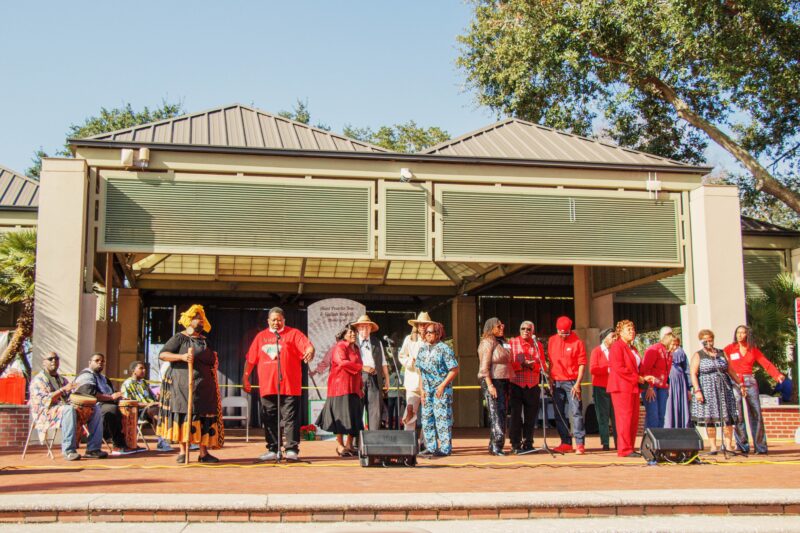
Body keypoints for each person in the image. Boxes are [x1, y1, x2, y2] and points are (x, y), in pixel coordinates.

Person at [243, 306, 314, 462]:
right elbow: (250, 360)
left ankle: (291, 450)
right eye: (274, 320)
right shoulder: (260, 337)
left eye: (279, 320)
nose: (276, 322)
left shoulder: (293, 333)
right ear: (268, 321)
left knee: (290, 419)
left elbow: (307, 346)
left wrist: (310, 350)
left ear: (284, 320)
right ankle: (273, 449)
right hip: (268, 386)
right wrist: (245, 378)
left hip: (290, 385)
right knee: (270, 418)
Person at [158, 305, 224, 463]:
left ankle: (203, 453)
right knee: (184, 415)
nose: (200, 320)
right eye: (196, 317)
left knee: (204, 416)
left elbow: (212, 358)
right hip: (183, 385)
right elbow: (163, 354)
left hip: (205, 386)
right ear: (188, 319)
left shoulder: (205, 341)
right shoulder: (180, 338)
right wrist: (181, 358)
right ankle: (182, 451)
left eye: (201, 317)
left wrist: (215, 362)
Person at [29, 352, 106, 461]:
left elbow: (71, 397)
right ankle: (68, 450)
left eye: (56, 359)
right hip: (45, 413)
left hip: (64, 410)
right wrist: (63, 390)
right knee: (69, 410)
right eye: (50, 359)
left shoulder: (62, 379)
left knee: (95, 408)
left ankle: (93, 449)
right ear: (44, 362)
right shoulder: (38, 380)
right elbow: (44, 401)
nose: (54, 361)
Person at [723, 325, 785, 454]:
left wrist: (777, 375)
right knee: (738, 414)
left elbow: (765, 363)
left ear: (747, 335)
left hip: (749, 381)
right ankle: (742, 446)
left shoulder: (753, 350)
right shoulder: (730, 348)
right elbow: (720, 359)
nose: (740, 335)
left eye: (743, 333)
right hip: (735, 381)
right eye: (738, 333)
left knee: (755, 413)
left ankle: (760, 447)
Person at [691, 329, 745, 454]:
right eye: (706, 341)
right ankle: (713, 446)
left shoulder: (721, 353)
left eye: (711, 340)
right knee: (710, 417)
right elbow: (693, 373)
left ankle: (728, 445)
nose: (709, 343)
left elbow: (730, 370)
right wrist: (697, 390)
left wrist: (740, 383)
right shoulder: (698, 355)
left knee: (727, 417)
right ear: (701, 342)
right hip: (707, 389)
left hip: (723, 388)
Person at [607, 320, 656, 458]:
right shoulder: (617, 347)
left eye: (633, 329)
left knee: (633, 418)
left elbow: (639, 367)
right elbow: (619, 368)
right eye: (628, 330)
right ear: (620, 332)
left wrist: (645, 378)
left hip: (633, 387)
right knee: (624, 418)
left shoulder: (633, 348)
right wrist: (638, 378)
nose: (632, 332)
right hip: (621, 387)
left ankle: (630, 447)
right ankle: (624, 449)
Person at [74, 352, 137, 455]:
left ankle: (129, 442)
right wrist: (111, 397)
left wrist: (119, 397)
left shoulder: (104, 378)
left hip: (105, 404)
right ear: (90, 362)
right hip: (90, 406)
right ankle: (118, 445)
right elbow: (89, 393)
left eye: (102, 361)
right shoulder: (86, 375)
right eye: (97, 360)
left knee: (130, 408)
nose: (100, 363)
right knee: (112, 409)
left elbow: (113, 392)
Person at [315, 324, 363, 456]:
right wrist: (360, 367)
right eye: (349, 333)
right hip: (340, 387)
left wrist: (360, 386)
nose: (353, 334)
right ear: (343, 335)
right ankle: (340, 445)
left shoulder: (357, 349)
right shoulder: (340, 346)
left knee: (354, 417)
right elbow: (342, 362)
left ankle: (349, 445)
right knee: (340, 417)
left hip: (354, 387)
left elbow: (358, 369)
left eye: (354, 332)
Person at [416, 322, 459, 457]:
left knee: (442, 419)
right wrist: (421, 390)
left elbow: (454, 369)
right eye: (426, 332)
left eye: (431, 332)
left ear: (438, 334)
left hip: (441, 389)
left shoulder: (444, 349)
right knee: (426, 418)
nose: (428, 334)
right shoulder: (422, 349)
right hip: (427, 390)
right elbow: (421, 372)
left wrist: (442, 385)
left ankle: (445, 448)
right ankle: (431, 447)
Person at [547, 316, 587, 454]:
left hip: (572, 382)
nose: (562, 335)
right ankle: (565, 442)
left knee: (575, 412)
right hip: (557, 381)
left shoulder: (577, 342)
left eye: (565, 333)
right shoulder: (552, 340)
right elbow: (550, 362)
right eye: (560, 332)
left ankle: (580, 443)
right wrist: (550, 378)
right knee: (559, 413)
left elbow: (582, 364)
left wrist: (577, 383)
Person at [478, 317, 514, 456]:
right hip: (492, 381)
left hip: (504, 380)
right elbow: (484, 366)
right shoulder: (487, 342)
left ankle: (496, 444)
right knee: (496, 413)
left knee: (502, 412)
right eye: (498, 326)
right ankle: (496, 446)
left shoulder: (503, 342)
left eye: (502, 325)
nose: (501, 328)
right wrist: (490, 385)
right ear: (490, 328)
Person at [121, 360, 172, 452]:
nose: (144, 370)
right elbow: (129, 403)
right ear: (133, 370)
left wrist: (158, 398)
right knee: (156, 410)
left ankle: (179, 438)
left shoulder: (144, 383)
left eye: (144, 368)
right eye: (141, 368)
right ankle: (162, 441)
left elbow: (153, 398)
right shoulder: (127, 384)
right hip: (139, 411)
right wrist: (148, 404)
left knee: (168, 409)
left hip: (152, 408)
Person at [508, 320, 542, 454]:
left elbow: (542, 365)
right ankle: (515, 444)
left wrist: (533, 366)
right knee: (516, 415)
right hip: (516, 384)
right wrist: (521, 365)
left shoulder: (537, 345)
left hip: (532, 384)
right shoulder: (512, 343)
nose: (525, 331)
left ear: (532, 331)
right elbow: (508, 363)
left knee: (531, 417)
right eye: (523, 328)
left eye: (528, 329)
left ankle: (528, 442)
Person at [352, 314, 390, 430]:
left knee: (375, 411)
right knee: (357, 410)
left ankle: (373, 441)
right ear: (358, 328)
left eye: (367, 327)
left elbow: (383, 362)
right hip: (358, 378)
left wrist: (387, 379)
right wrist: (363, 368)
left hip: (374, 378)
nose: (365, 330)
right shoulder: (353, 343)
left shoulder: (377, 342)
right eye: (362, 327)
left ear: (371, 329)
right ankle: (355, 442)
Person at [398, 312, 432, 437]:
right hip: (412, 383)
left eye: (425, 324)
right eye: (420, 324)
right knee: (410, 412)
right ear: (416, 325)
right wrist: (410, 362)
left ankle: (425, 442)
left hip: (428, 383)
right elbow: (401, 355)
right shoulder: (409, 339)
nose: (422, 326)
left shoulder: (432, 340)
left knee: (428, 415)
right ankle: (408, 441)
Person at [640, 326, 675, 429]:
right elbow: (646, 369)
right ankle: (650, 442)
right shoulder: (654, 350)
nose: (674, 347)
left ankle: (658, 441)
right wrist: (649, 387)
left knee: (661, 415)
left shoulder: (669, 353)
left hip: (662, 387)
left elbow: (666, 371)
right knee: (653, 415)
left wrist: (666, 384)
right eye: (673, 344)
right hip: (651, 386)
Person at [590, 327, 617, 451]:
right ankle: (605, 442)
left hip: (615, 388)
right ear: (605, 338)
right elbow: (593, 369)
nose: (615, 339)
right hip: (600, 388)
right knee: (603, 416)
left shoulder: (616, 351)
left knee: (616, 416)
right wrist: (607, 369)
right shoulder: (596, 351)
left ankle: (618, 442)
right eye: (613, 336)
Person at [664, 336, 692, 429]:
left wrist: (689, 388)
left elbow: (687, 369)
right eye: (673, 344)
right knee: (669, 406)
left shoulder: (681, 352)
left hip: (681, 383)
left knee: (682, 406)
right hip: (669, 383)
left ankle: (683, 428)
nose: (675, 346)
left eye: (677, 344)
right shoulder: (664, 353)